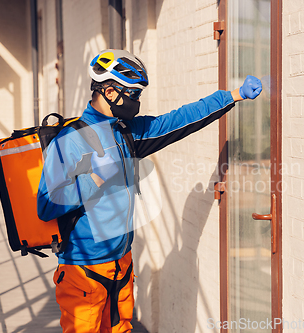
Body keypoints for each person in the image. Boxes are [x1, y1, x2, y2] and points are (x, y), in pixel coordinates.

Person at [37, 49, 262, 333]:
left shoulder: (126, 132)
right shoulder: (70, 142)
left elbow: (179, 120)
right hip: (83, 271)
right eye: (133, 95)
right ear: (109, 91)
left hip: (121, 263)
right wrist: (93, 178)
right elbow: (45, 205)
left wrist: (233, 95)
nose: (137, 102)